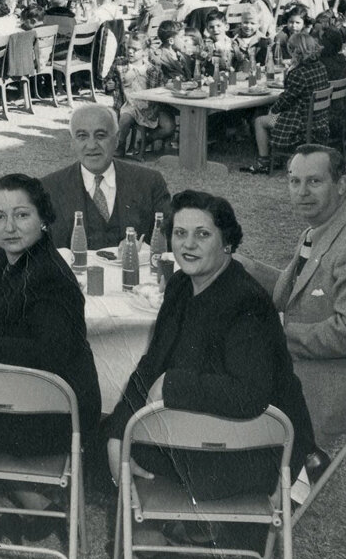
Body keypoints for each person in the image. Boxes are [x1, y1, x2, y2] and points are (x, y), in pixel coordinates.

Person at [105, 191, 315, 505]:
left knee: (96, 450)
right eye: (180, 233)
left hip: (253, 445)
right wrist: (118, 432)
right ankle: (162, 532)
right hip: (205, 430)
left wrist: (171, 383)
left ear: (227, 243)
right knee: (104, 435)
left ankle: (166, 531)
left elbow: (249, 394)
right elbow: (152, 363)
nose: (188, 244)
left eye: (202, 234)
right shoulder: (179, 285)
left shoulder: (247, 303)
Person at [0, 174, 100, 542]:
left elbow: (51, 353)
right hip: (21, 397)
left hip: (55, 412)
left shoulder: (51, 277)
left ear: (43, 218)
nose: (9, 227)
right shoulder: (0, 259)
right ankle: (32, 503)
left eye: (21, 215)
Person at [238, 146, 346, 454]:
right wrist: (244, 267)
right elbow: (296, 290)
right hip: (327, 361)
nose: (302, 192)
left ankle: (260, 473)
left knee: (227, 374)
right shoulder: (323, 228)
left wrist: (275, 334)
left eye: (314, 182)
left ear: (341, 184)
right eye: (294, 182)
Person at [40, 104, 172, 250]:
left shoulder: (150, 182)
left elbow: (171, 239)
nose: (91, 146)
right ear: (72, 143)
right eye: (82, 136)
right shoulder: (48, 188)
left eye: (100, 135)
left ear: (117, 140)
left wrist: (146, 250)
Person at [243, 32, 330, 174]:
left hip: (298, 122)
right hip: (318, 120)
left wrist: (273, 109)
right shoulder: (320, 66)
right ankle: (273, 156)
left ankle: (263, 161)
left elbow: (286, 99)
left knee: (260, 120)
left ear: (294, 50)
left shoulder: (298, 72)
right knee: (267, 114)